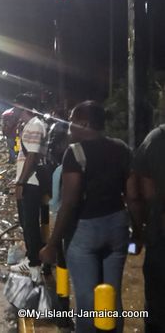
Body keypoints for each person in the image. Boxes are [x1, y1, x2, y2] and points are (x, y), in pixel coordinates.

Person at [39, 101, 131, 332]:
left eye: (71, 122)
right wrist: (137, 232)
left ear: (84, 123)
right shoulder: (121, 148)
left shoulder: (75, 152)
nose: (69, 128)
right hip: (118, 225)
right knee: (113, 294)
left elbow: (69, 202)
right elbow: (132, 194)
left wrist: (51, 244)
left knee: (86, 299)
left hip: (86, 230)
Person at [127, 125, 165, 331]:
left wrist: (138, 234)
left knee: (157, 307)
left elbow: (137, 193)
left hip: (159, 237)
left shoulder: (156, 139)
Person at [11, 93, 47, 283]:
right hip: (29, 180)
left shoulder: (34, 125)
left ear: (24, 108)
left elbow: (32, 157)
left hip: (30, 182)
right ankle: (32, 259)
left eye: (16, 107)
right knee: (27, 223)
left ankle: (34, 266)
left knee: (30, 223)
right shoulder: (33, 124)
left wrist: (20, 182)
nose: (14, 110)